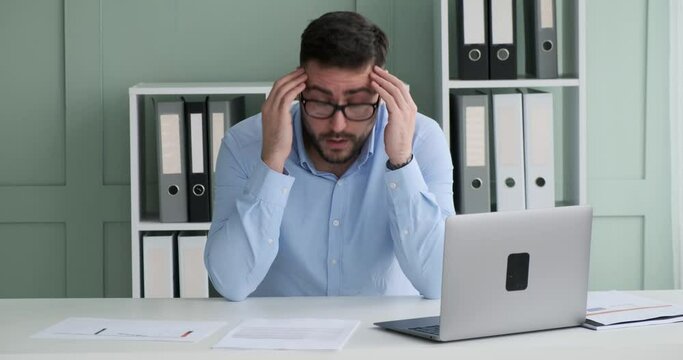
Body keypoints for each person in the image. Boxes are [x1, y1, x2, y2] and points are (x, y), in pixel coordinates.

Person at [205, 11, 455, 301]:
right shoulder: (244, 144)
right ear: (299, 91)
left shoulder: (421, 140)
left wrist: (402, 162)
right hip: (280, 339)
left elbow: (440, 281)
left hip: (387, 340)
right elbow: (231, 284)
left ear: (382, 92)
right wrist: (272, 162)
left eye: (358, 104)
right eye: (322, 103)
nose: (338, 126)